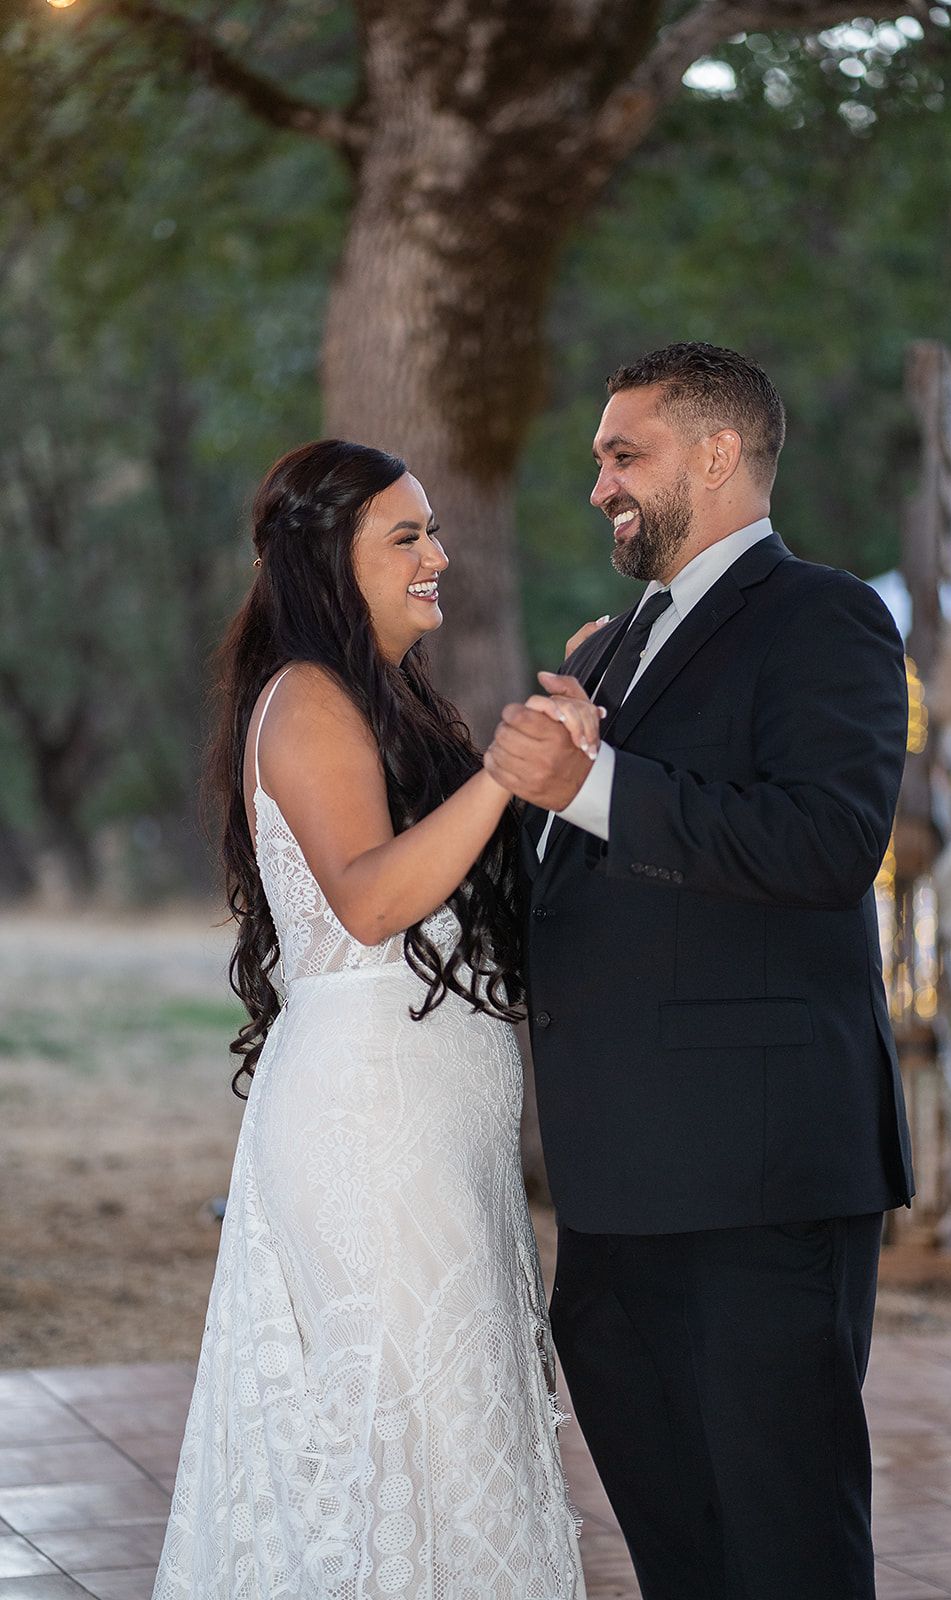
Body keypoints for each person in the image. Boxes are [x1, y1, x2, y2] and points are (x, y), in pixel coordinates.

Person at [484, 342, 914, 1600]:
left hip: (756, 1175)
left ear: (717, 455)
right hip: (619, 1189)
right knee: (682, 1554)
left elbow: (827, 844)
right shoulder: (616, 647)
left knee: (784, 1549)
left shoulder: (823, 615)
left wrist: (596, 782)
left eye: (625, 454)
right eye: (598, 459)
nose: (599, 485)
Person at [152, 440, 589, 1600]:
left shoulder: (386, 700)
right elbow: (372, 895)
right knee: (405, 1439)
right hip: (369, 1137)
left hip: (429, 1135)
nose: (438, 555)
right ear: (325, 561)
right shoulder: (304, 698)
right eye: (407, 537)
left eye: (434, 529)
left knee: (456, 1428)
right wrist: (501, 774)